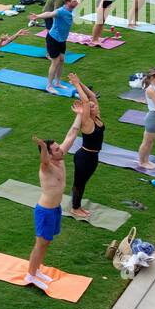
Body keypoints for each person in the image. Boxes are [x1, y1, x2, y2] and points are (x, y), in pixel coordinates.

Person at [26, 134, 74, 289]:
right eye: (56, 149)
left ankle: (37, 270)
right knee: (40, 244)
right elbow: (44, 160)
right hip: (45, 211)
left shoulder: (59, 158)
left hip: (55, 209)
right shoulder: (46, 168)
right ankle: (30, 276)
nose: (61, 150)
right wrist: (41, 145)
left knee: (47, 242)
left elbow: (72, 134)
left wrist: (80, 115)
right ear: (50, 154)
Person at [30, 0, 84, 93]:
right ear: (68, 2)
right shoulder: (61, 11)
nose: (77, 3)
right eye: (74, 1)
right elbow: (49, 14)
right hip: (53, 39)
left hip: (62, 40)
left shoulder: (72, 7)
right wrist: (37, 16)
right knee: (55, 61)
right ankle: (49, 86)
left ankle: (58, 83)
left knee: (62, 60)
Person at [66, 73, 103, 220]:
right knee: (79, 183)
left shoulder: (98, 118)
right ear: (88, 111)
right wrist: (75, 85)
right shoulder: (87, 123)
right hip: (84, 157)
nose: (95, 106)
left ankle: (77, 203)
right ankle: (76, 208)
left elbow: (92, 97)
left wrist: (80, 82)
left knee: (83, 182)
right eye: (92, 107)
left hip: (93, 156)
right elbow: (87, 102)